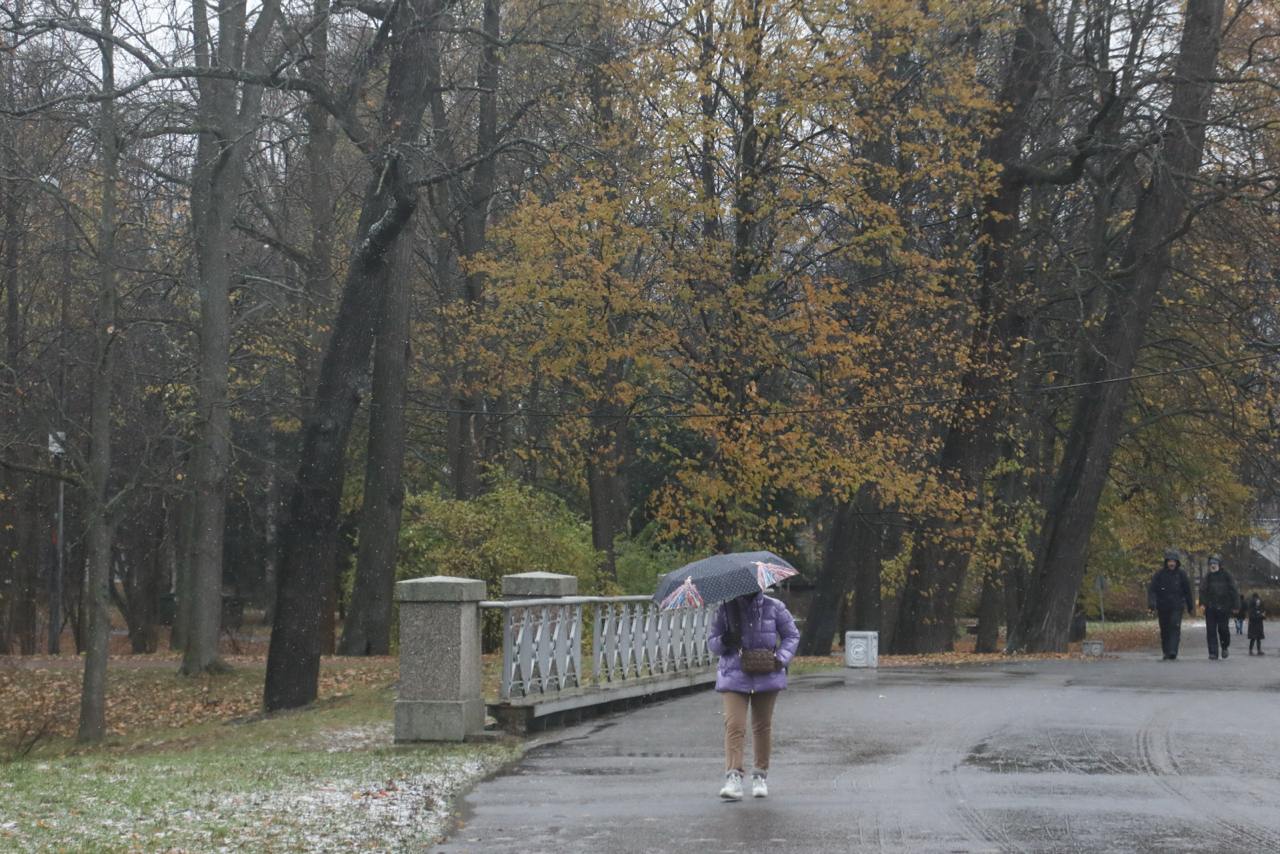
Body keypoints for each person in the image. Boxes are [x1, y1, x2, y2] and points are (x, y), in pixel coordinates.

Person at [706, 589, 800, 801]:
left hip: (767, 672)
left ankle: (760, 775)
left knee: (761, 726)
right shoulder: (726, 609)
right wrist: (724, 640)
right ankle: (733, 777)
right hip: (733, 674)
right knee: (734, 726)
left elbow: (792, 635)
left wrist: (781, 658)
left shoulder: (774, 607)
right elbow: (712, 643)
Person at [1148, 550, 1193, 660]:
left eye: (1173, 561)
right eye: (1169, 561)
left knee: (1174, 626)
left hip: (1177, 606)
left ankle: (1173, 650)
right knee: (1164, 629)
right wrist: (1152, 603)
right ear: (1166, 562)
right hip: (1163, 606)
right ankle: (1166, 651)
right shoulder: (1159, 575)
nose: (1171, 564)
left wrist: (1190, 605)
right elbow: (1152, 590)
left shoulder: (1181, 574)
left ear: (1177, 562)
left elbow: (1187, 591)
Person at [1199, 554, 1239, 660]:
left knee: (1223, 629)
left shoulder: (1227, 575)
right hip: (1210, 608)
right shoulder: (1207, 577)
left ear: (1220, 565)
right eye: (1211, 564)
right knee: (1211, 631)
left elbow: (1234, 590)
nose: (1213, 565)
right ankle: (1213, 652)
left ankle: (1225, 646)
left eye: (1215, 563)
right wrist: (1202, 604)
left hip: (1224, 607)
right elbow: (1202, 591)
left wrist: (1236, 605)